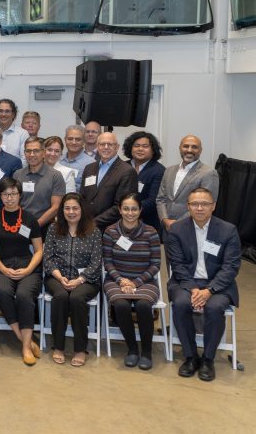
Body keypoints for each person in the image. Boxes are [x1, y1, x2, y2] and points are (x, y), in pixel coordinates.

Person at [167, 188, 241, 382]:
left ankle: (208, 359)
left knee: (215, 307)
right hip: (185, 282)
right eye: (194, 204)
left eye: (204, 204)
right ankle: (190, 356)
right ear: (188, 206)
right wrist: (194, 289)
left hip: (217, 284)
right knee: (181, 304)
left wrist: (209, 290)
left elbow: (231, 266)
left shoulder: (228, 230)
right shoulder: (176, 229)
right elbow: (177, 264)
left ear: (213, 206)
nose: (199, 208)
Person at [0, 178, 44, 365]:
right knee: (3, 291)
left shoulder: (29, 218)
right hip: (3, 265)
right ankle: (23, 339)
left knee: (24, 294)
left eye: (13, 194)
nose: (9, 198)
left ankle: (26, 348)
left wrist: (28, 269)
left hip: (28, 265)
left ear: (19, 195)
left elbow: (39, 250)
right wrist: (2, 268)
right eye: (5, 194)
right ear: (0, 196)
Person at [102, 193, 162, 370]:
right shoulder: (110, 232)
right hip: (116, 279)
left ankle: (147, 352)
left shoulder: (151, 232)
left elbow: (156, 264)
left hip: (145, 280)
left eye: (134, 208)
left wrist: (135, 283)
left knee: (144, 305)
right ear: (120, 210)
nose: (130, 212)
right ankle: (133, 349)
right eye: (126, 208)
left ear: (140, 210)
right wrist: (121, 281)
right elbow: (108, 262)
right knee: (120, 305)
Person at [43, 193, 102, 366]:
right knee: (60, 297)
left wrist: (79, 280)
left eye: (75, 208)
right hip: (57, 276)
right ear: (62, 210)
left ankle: (80, 349)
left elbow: (96, 262)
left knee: (76, 298)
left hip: (87, 280)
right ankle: (58, 346)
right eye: (67, 208)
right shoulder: (53, 229)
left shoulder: (94, 231)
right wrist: (59, 276)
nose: (71, 212)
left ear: (82, 209)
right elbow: (48, 258)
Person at [156, 135, 220, 234]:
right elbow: (160, 199)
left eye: (194, 147)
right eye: (186, 146)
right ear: (180, 148)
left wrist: (177, 224)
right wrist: (165, 220)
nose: (189, 150)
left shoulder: (209, 173)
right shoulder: (169, 170)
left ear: (200, 150)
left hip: (192, 230)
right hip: (167, 229)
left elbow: (206, 204)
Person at [79, 132, 138, 231]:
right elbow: (82, 197)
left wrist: (94, 223)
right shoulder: (89, 168)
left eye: (110, 144)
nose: (105, 147)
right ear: (97, 146)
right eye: (102, 144)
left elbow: (121, 205)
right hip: (86, 227)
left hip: (111, 229)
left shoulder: (127, 171)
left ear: (117, 147)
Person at [12, 137, 65, 230]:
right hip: (20, 225)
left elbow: (56, 207)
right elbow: (14, 202)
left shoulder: (55, 176)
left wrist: (35, 225)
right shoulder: (17, 175)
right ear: (24, 153)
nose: (32, 154)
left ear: (44, 153)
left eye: (36, 151)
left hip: (46, 227)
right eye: (28, 151)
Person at [122, 131, 165, 232]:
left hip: (147, 225)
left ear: (153, 150)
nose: (140, 149)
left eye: (145, 146)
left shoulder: (159, 170)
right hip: (121, 221)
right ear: (130, 148)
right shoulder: (122, 166)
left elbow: (153, 201)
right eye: (136, 145)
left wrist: (128, 210)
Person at [0, 99, 29, 165]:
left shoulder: (22, 134)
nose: (3, 114)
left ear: (13, 114)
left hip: (15, 173)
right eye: (0, 111)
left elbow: (24, 159)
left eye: (7, 111)